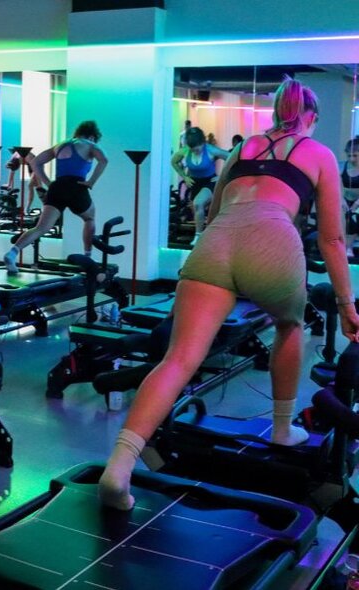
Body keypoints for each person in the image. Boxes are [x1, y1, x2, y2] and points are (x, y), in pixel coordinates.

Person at [98, 77, 359, 511]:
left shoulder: (243, 149)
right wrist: (348, 305)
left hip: (216, 243)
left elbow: (216, 211)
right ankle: (281, 427)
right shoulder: (318, 152)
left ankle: (119, 465)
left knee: (178, 359)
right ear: (310, 117)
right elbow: (332, 240)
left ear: (276, 112)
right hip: (274, 238)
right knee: (290, 325)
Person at [3, 120, 107, 273]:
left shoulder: (60, 145)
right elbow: (103, 161)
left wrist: (48, 182)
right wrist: (91, 182)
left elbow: (36, 162)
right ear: (92, 136)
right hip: (76, 186)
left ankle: (13, 252)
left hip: (57, 187)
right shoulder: (90, 145)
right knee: (89, 218)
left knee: (41, 227)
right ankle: (88, 256)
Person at [171, 126, 230, 244]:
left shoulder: (211, 150)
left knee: (198, 203)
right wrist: (185, 176)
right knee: (197, 209)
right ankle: (206, 235)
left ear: (203, 143)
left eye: (197, 149)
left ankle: (198, 237)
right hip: (194, 183)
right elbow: (174, 162)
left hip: (210, 182)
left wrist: (222, 177)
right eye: (192, 149)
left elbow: (231, 158)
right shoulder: (185, 151)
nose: (195, 151)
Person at [341, 136, 359, 254]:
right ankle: (346, 247)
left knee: (355, 217)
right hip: (346, 199)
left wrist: (357, 203)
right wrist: (342, 200)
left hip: (358, 201)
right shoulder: (343, 166)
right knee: (343, 218)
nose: (351, 159)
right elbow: (337, 187)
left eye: (355, 156)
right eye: (349, 156)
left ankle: (349, 247)